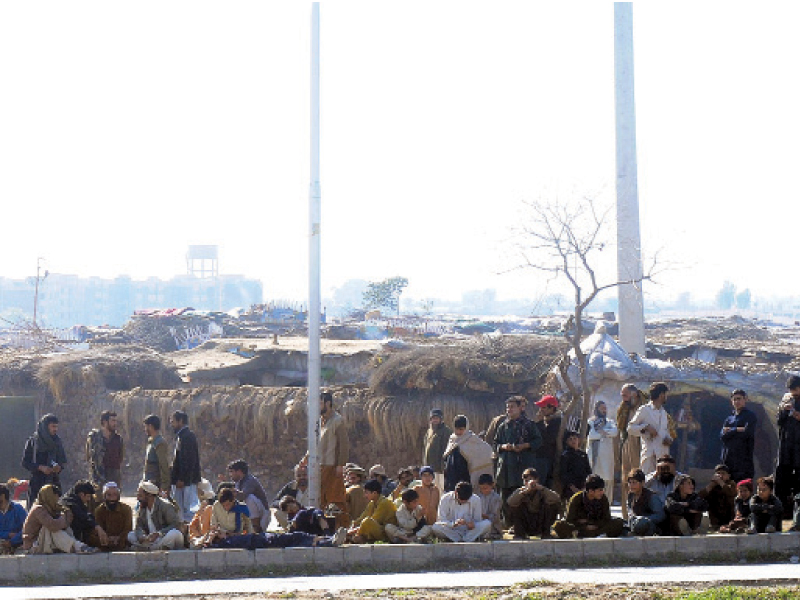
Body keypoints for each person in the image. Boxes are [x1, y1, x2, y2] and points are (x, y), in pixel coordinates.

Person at [493, 396, 542, 521]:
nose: (509, 410)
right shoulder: (503, 426)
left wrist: (525, 445)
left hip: (522, 467)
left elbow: (538, 441)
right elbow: (495, 444)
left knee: (523, 495)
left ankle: (522, 525)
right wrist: (504, 446)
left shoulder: (529, 425)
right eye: (507, 407)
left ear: (521, 407)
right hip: (506, 468)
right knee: (505, 496)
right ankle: (507, 523)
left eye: (512, 407)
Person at [312, 391, 350, 527]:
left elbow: (344, 445)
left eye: (320, 403)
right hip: (321, 466)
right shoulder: (321, 421)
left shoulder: (337, 420)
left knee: (336, 499)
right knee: (321, 499)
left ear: (327, 403)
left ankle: (343, 528)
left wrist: (340, 464)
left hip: (332, 465)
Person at [22, 484, 96, 554]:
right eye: (56, 497)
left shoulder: (52, 508)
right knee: (50, 529)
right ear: (49, 497)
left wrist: (65, 514)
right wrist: (63, 519)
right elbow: (53, 525)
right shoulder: (38, 509)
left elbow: (69, 519)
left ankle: (76, 546)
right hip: (33, 545)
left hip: (46, 542)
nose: (57, 500)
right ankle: (78, 547)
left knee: (64, 527)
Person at [553, 475, 625, 539]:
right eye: (600, 490)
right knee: (559, 525)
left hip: (597, 527)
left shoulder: (603, 499)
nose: (602, 492)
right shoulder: (576, 499)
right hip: (580, 529)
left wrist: (593, 523)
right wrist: (584, 526)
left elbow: (606, 518)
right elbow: (570, 520)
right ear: (591, 491)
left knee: (618, 523)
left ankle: (599, 534)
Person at [21, 414, 67, 509]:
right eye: (53, 426)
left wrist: (58, 467)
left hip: (53, 483)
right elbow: (25, 462)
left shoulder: (57, 442)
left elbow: (62, 461)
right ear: (46, 426)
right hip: (37, 483)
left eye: (56, 426)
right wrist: (40, 467)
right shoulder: (33, 442)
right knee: (35, 512)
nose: (55, 429)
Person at [627, 382, 673, 475]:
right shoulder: (644, 410)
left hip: (662, 456)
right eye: (665, 394)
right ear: (661, 395)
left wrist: (669, 439)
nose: (666, 397)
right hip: (649, 454)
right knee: (647, 483)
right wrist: (646, 427)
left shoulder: (663, 413)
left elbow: (665, 431)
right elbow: (630, 428)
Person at [128, 480, 184, 550]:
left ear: (149, 495)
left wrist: (159, 534)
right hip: (150, 540)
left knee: (174, 534)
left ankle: (148, 548)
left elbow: (175, 524)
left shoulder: (165, 506)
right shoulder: (142, 507)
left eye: (140, 496)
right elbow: (138, 526)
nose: (138, 498)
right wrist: (141, 537)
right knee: (131, 535)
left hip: (163, 537)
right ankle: (153, 548)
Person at [617, 384, 646, 519]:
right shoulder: (624, 408)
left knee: (639, 477)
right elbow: (621, 427)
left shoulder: (645, 407)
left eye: (625, 395)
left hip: (641, 444)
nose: (623, 399)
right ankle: (626, 517)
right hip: (627, 444)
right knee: (626, 479)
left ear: (634, 394)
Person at [506, 467, 559, 540]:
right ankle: (520, 534)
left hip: (539, 521)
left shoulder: (543, 491)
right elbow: (510, 502)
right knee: (514, 506)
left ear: (537, 480)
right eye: (526, 481)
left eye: (531, 480)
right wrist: (524, 492)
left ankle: (546, 533)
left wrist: (542, 488)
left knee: (551, 505)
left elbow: (556, 498)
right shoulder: (520, 491)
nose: (528, 482)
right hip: (525, 522)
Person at [443, 415, 493, 489]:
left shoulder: (472, 439)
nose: (458, 432)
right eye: (456, 429)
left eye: (461, 429)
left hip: (464, 475)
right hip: (451, 477)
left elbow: (487, 450)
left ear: (466, 428)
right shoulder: (452, 439)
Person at [170, 410, 202, 521]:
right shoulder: (182, 436)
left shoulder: (187, 437)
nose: (171, 424)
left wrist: (182, 479)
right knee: (180, 511)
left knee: (188, 510)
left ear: (180, 421)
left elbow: (189, 460)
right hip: (183, 481)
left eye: (173, 421)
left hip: (186, 482)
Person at [775, 376, 800, 515]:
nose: (794, 393)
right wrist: (784, 410)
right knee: (782, 480)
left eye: (796, 390)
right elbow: (779, 421)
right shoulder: (786, 400)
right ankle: (780, 513)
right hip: (786, 448)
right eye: (792, 390)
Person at [720, 389, 757, 482]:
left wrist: (730, 431)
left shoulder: (750, 416)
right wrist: (737, 429)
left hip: (743, 460)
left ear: (745, 399)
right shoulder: (729, 419)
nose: (737, 402)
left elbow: (747, 433)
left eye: (739, 399)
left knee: (742, 487)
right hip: (728, 459)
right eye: (734, 399)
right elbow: (722, 436)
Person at [346, 479, 398, 543]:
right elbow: (362, 517)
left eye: (366, 493)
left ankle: (353, 537)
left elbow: (371, 522)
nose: (364, 496)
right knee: (363, 522)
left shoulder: (384, 503)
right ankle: (354, 537)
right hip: (378, 531)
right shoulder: (372, 503)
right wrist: (353, 525)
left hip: (387, 533)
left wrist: (352, 532)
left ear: (374, 493)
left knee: (367, 522)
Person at [587, 400, 619, 503]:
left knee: (608, 482)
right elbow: (591, 435)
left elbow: (615, 432)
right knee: (594, 480)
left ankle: (607, 505)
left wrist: (602, 432)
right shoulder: (591, 422)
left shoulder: (610, 422)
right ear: (597, 409)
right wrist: (604, 434)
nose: (604, 410)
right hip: (595, 458)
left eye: (605, 408)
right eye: (602, 408)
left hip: (607, 457)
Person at [85, 410, 124, 494]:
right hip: (98, 477)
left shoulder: (118, 439)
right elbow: (88, 456)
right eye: (112, 421)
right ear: (105, 422)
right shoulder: (94, 438)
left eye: (115, 421)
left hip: (114, 476)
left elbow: (120, 457)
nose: (115, 423)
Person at [227, 459, 270, 533]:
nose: (230, 475)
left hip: (262, 515)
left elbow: (242, 496)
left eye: (231, 472)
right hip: (248, 515)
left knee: (249, 498)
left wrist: (233, 493)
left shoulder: (250, 480)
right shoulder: (238, 482)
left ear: (239, 471)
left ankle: (256, 526)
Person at [60, 480, 105, 547]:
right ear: (81, 494)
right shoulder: (70, 502)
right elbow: (82, 516)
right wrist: (97, 527)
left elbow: (87, 514)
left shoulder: (77, 500)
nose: (89, 499)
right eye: (88, 496)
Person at [91, 482, 132, 551]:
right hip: (105, 539)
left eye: (114, 495)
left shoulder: (126, 509)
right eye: (109, 495)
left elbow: (128, 528)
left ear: (118, 496)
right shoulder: (99, 510)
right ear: (104, 496)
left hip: (121, 540)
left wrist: (118, 538)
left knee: (131, 536)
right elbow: (99, 528)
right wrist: (109, 538)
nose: (112, 498)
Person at [531, 395, 562, 489]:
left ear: (552, 408)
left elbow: (548, 439)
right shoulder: (545, 421)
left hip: (547, 459)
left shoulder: (557, 422)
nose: (541, 410)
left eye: (544, 407)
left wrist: (540, 422)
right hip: (539, 457)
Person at [626, 469, 665, 536]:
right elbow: (630, 511)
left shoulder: (651, 497)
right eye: (630, 482)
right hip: (635, 523)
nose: (631, 485)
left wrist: (644, 519)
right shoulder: (631, 495)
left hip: (651, 526)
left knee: (641, 523)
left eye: (634, 482)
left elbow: (660, 515)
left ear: (642, 483)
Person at [698, 464, 737, 530]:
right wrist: (711, 485)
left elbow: (731, 493)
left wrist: (721, 482)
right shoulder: (713, 486)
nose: (720, 476)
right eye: (718, 473)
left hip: (729, 516)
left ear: (728, 476)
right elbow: (700, 496)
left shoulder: (731, 484)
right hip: (715, 519)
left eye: (723, 473)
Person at [271, 464, 309, 529]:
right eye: (299, 476)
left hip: (310, 516)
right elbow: (274, 503)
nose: (302, 478)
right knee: (276, 512)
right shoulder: (290, 487)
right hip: (293, 517)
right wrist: (287, 504)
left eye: (304, 475)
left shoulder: (315, 487)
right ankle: (290, 530)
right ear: (295, 477)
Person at [423, 408, 452, 490]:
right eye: (433, 418)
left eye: (437, 418)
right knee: (430, 489)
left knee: (440, 489)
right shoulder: (429, 432)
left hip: (440, 469)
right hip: (430, 468)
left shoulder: (446, 431)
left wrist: (444, 466)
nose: (435, 420)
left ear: (441, 419)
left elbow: (447, 449)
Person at [142, 414, 171, 495]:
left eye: (146, 426)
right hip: (149, 481)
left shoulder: (159, 443)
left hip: (155, 483)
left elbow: (163, 464)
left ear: (150, 426)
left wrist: (164, 485)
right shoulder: (151, 441)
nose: (145, 429)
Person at [559, 430, 592, 501]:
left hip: (583, 486)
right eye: (570, 439)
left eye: (575, 438)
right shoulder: (565, 455)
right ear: (567, 442)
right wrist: (572, 487)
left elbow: (588, 471)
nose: (573, 441)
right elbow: (563, 473)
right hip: (571, 488)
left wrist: (586, 486)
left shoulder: (583, 455)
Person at [0, 482, 27, 554]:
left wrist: (12, 541)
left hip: (18, 543)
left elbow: (27, 529)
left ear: (2, 496)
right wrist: (7, 534)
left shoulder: (17, 509)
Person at [188, 480, 216, 548]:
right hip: (199, 538)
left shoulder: (212, 508)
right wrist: (197, 537)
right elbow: (192, 526)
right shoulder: (201, 509)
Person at [476, 473, 502, 539]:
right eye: (481, 488)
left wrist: (486, 516)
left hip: (492, 526)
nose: (484, 491)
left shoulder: (496, 498)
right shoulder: (478, 496)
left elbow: (495, 516)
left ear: (492, 485)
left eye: (486, 488)